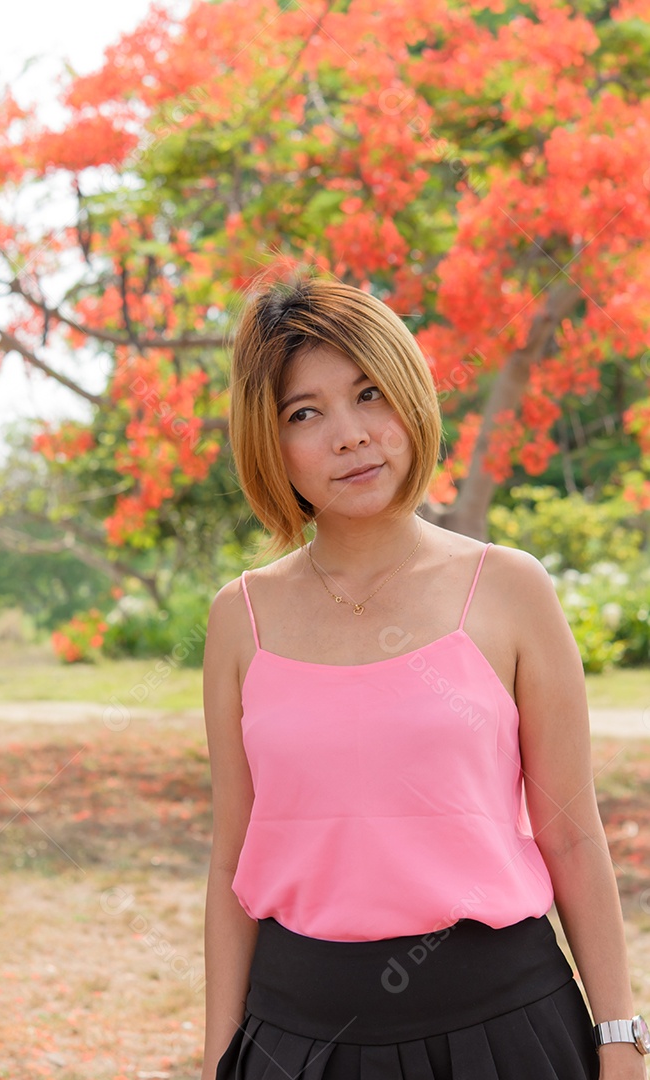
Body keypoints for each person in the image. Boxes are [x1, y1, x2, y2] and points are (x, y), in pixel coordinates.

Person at [200, 274, 648, 1080]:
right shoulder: (241, 618)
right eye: (305, 412)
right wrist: (218, 1057)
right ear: (269, 441)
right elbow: (231, 860)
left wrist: (621, 1038)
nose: (349, 435)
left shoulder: (510, 588)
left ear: (409, 396)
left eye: (369, 394)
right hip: (295, 1042)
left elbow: (571, 834)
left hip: (503, 1033)